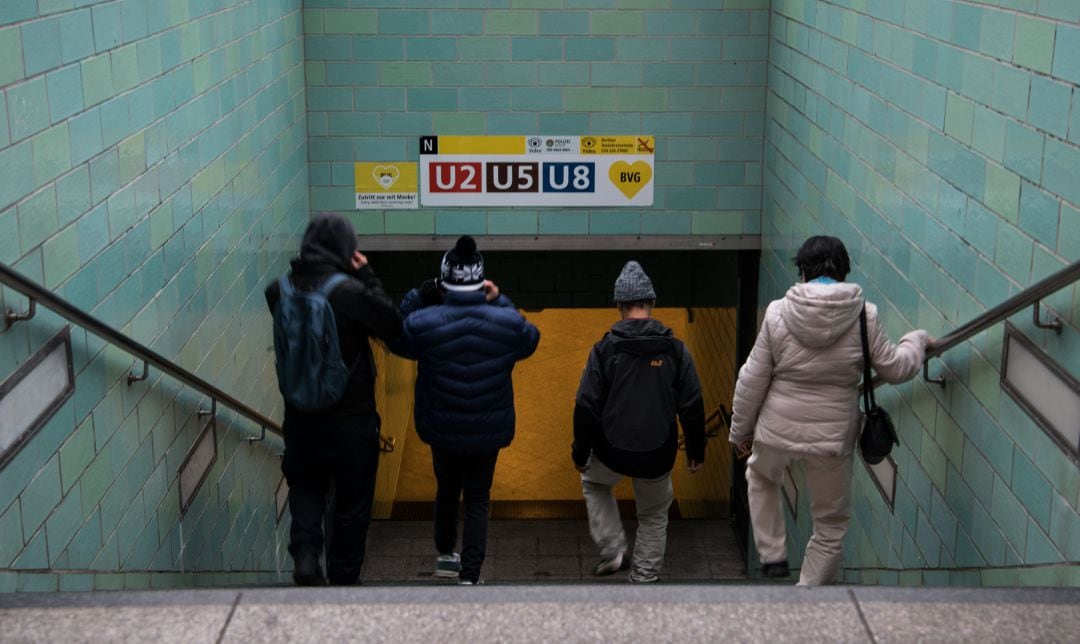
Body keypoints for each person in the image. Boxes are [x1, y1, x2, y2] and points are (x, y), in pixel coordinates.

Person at [729, 235, 930, 586]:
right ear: (845, 272)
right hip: (832, 438)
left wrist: (740, 434)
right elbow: (896, 369)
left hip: (777, 431)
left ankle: (771, 552)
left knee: (760, 477)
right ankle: (808, 596)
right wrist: (917, 341)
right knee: (830, 525)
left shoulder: (778, 312)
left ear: (802, 271)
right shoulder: (864, 316)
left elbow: (752, 378)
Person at [389, 235, 540, 585]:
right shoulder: (506, 323)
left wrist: (417, 296)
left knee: (446, 488)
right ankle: (470, 576)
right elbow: (530, 339)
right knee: (477, 499)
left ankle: (445, 552)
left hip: (442, 429)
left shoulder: (423, 323)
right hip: (488, 431)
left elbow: (394, 335)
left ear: (444, 280)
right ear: (481, 280)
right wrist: (500, 299)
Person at [265, 213, 402, 586]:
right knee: (352, 502)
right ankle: (344, 578)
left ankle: (307, 555)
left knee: (306, 486)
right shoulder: (349, 293)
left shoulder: (278, 290)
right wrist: (368, 275)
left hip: (300, 417)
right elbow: (393, 325)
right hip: (351, 420)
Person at [572, 261, 706, 584]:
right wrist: (696, 451)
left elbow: (586, 405)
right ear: (652, 303)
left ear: (619, 306)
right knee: (654, 513)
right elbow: (692, 403)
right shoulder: (675, 351)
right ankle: (644, 578)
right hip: (657, 453)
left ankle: (613, 547)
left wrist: (581, 451)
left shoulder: (604, 351)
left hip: (610, 450)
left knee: (594, 482)